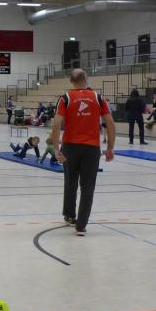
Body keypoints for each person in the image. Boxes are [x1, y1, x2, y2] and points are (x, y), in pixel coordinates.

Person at [52, 69, 116, 237]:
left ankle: (69, 215)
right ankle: (81, 226)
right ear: (86, 79)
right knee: (88, 187)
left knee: (70, 182)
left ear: (71, 81)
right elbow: (110, 122)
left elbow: (56, 123)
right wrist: (110, 147)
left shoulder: (65, 98)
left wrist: (56, 148)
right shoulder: (98, 97)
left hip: (70, 147)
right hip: (91, 148)